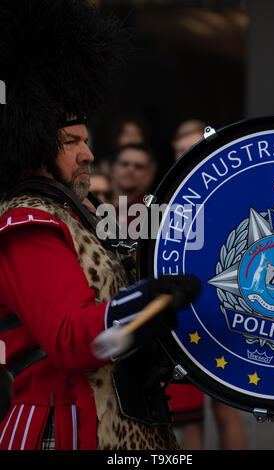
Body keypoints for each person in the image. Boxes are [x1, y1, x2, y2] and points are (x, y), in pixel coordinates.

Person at [0, 0, 201, 450]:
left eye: (86, 141)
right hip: (65, 425)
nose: (88, 154)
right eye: (71, 142)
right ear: (32, 145)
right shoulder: (26, 223)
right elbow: (71, 340)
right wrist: (147, 300)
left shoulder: (77, 213)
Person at [168, 120, 248, 450]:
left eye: (191, 146)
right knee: (188, 417)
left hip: (224, 311)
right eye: (178, 150)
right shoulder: (171, 193)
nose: (184, 155)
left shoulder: (234, 190)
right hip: (185, 316)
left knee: (227, 408)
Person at [111, 143, 157, 230]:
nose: (130, 170)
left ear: (149, 173)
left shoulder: (152, 212)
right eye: (124, 164)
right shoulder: (95, 203)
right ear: (113, 168)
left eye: (138, 166)